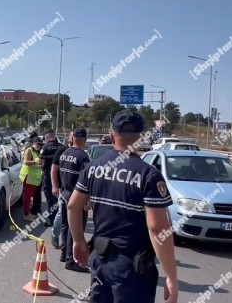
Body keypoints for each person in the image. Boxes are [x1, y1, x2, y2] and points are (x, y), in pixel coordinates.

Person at [68, 110, 178, 303]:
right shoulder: (148, 175)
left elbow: (72, 206)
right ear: (141, 138)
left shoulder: (93, 167)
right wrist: (171, 276)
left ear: (112, 136)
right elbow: (157, 227)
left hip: (100, 260)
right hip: (131, 269)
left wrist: (78, 240)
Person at [57, 127, 90, 272]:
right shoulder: (83, 157)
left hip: (64, 194)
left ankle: (64, 254)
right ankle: (71, 260)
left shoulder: (65, 153)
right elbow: (86, 181)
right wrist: (88, 200)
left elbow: (57, 172)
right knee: (75, 229)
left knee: (65, 225)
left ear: (73, 138)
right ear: (85, 140)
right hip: (76, 199)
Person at [50, 131, 73, 249]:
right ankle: (55, 234)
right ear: (69, 138)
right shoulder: (62, 151)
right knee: (61, 212)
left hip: (76, 190)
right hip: (63, 189)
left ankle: (70, 241)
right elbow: (53, 170)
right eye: (72, 135)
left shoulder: (81, 153)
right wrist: (54, 185)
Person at [39, 129, 63, 227]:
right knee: (60, 199)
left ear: (47, 137)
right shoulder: (62, 147)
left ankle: (51, 219)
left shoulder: (45, 148)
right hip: (61, 177)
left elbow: (40, 162)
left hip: (49, 176)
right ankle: (61, 218)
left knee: (50, 199)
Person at [18, 136, 43, 222]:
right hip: (28, 177)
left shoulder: (36, 152)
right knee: (27, 198)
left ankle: (28, 213)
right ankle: (26, 215)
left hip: (33, 178)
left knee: (29, 198)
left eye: (41, 144)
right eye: (38, 143)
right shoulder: (29, 150)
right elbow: (26, 161)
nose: (39, 145)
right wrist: (36, 162)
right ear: (33, 143)